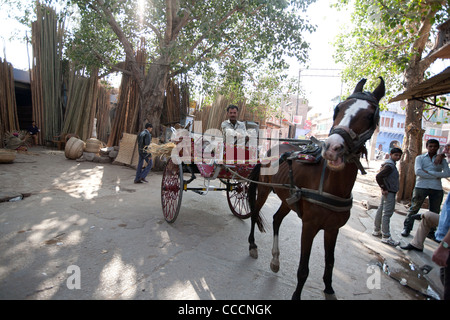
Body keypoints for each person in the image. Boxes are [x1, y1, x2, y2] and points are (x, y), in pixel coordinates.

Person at [401, 139, 450, 237]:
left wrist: (429, 172)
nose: (433, 148)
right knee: (414, 208)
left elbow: (447, 173)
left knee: (434, 211)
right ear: (427, 147)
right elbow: (418, 172)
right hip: (421, 186)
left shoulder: (442, 160)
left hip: (436, 188)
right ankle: (407, 228)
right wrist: (438, 175)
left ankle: (431, 232)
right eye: (430, 146)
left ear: (438, 147)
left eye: (435, 146)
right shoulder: (420, 158)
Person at [373, 147, 403, 246]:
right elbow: (379, 176)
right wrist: (384, 187)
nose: (397, 157)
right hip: (389, 192)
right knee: (387, 213)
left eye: (399, 155)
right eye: (396, 155)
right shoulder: (390, 166)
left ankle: (377, 230)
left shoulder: (390, 164)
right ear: (391, 154)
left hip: (388, 191)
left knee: (381, 210)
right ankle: (386, 236)